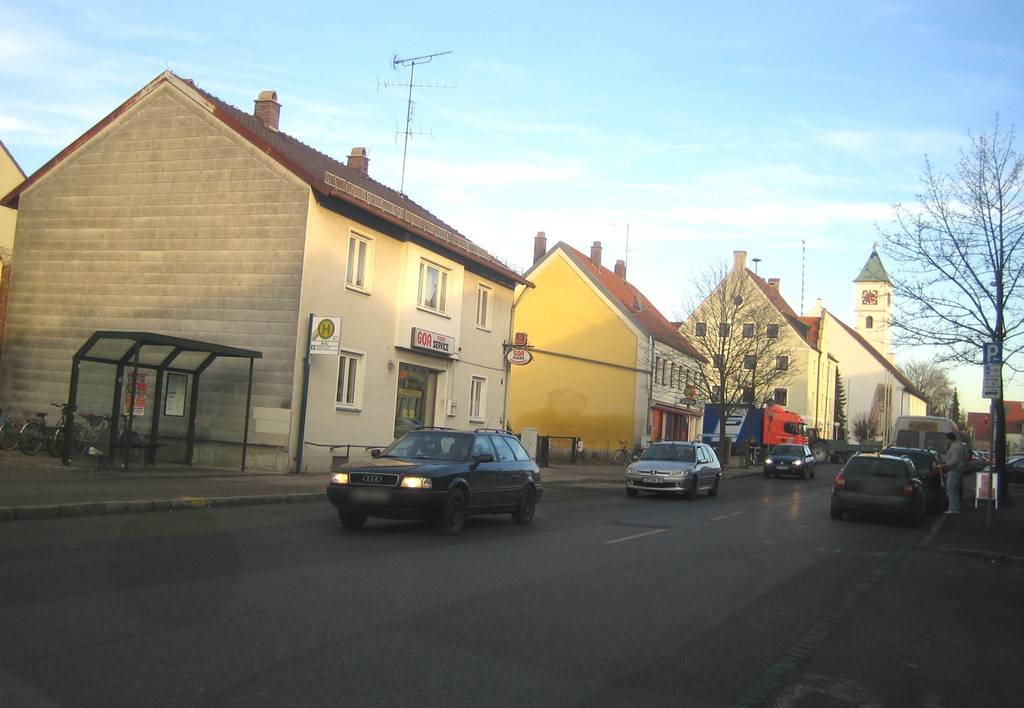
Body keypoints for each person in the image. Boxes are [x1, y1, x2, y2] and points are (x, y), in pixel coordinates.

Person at [941, 431, 965, 514]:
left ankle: (953, 508)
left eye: (946, 439)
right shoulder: (958, 445)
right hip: (956, 469)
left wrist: (945, 466)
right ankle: (955, 507)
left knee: (951, 489)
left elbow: (955, 460)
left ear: (949, 438)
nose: (945, 440)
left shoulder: (955, 447)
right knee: (954, 490)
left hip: (954, 470)